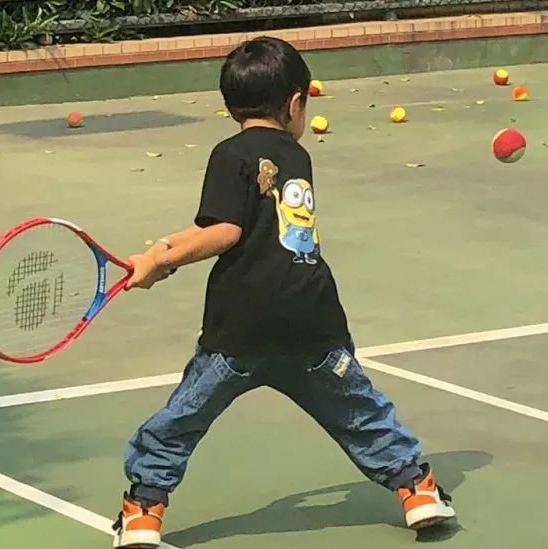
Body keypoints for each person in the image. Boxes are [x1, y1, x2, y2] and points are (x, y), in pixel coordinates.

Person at [112, 36, 456, 549]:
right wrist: (160, 256)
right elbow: (226, 227)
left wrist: (160, 258)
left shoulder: (227, 154)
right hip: (310, 323)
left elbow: (225, 231)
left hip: (239, 334)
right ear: (296, 104)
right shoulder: (294, 156)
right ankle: (417, 491)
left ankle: (142, 514)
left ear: (230, 104)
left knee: (180, 420)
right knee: (360, 413)